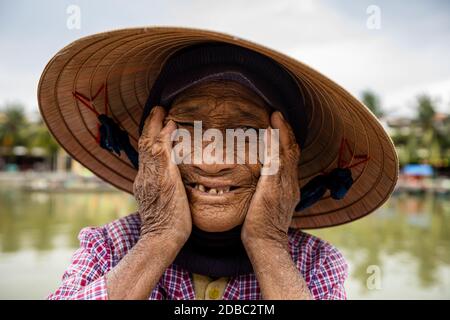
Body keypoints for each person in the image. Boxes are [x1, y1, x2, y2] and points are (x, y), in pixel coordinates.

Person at [38, 27, 398, 300]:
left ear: (285, 158)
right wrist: (160, 237)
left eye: (244, 134)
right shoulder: (110, 246)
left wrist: (267, 242)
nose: (213, 162)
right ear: (153, 146)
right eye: (189, 131)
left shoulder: (314, 262)